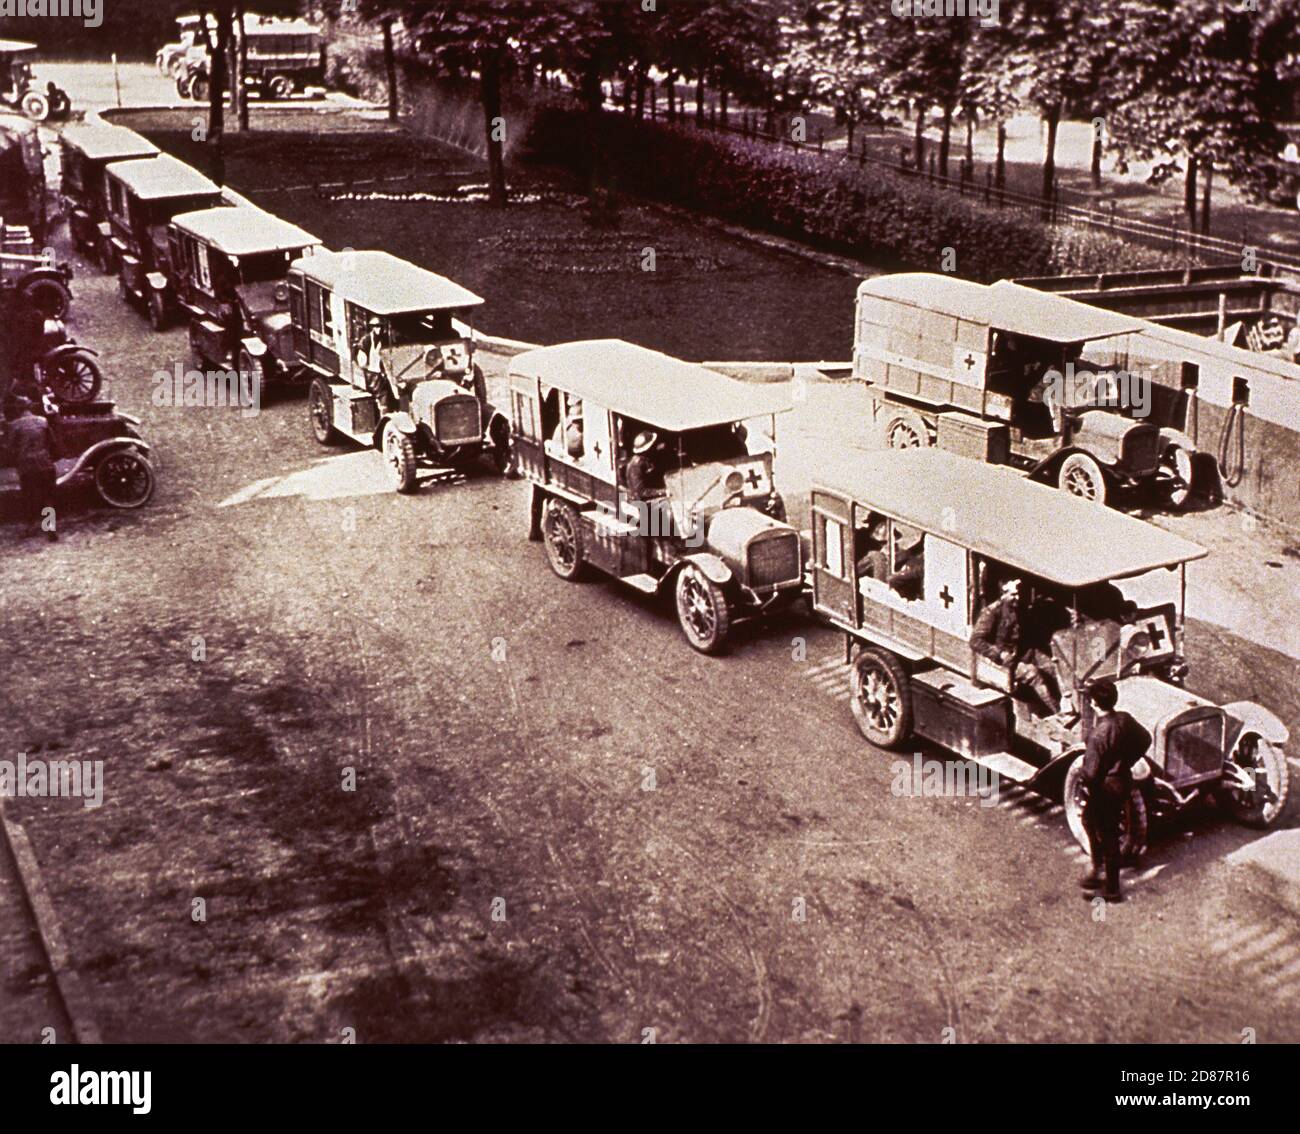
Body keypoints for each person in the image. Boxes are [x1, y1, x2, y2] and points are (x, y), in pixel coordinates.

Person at [1079, 680, 1152, 903]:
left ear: (1093, 703)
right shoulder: (1125, 719)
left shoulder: (1098, 735)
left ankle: (1111, 888)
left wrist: (1086, 778)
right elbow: (1145, 739)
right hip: (1122, 781)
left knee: (1107, 834)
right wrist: (1127, 761)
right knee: (1088, 821)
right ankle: (1098, 867)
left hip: (1105, 789)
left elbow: (1090, 774)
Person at [972, 576, 1061, 714]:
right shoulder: (991, 612)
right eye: (1013, 595)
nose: (1017, 598)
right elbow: (976, 641)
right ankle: (1058, 712)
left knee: (1054, 666)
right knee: (1033, 674)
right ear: (1004, 594)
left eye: (1018, 594)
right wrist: (999, 654)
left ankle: (1067, 705)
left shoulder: (1018, 607)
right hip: (1005, 661)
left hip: (1023, 651)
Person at [4, 396, 58, 541]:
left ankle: (29, 528)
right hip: (45, 464)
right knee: (48, 497)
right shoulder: (43, 421)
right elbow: (52, 442)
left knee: (29, 497)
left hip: (27, 466)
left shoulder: (14, 425)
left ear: (17, 409)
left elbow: (9, 448)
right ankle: (50, 528)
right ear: (30, 407)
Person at [623, 430, 659, 500]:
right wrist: (663, 492)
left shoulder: (645, 460)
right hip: (641, 501)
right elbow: (641, 492)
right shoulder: (636, 466)